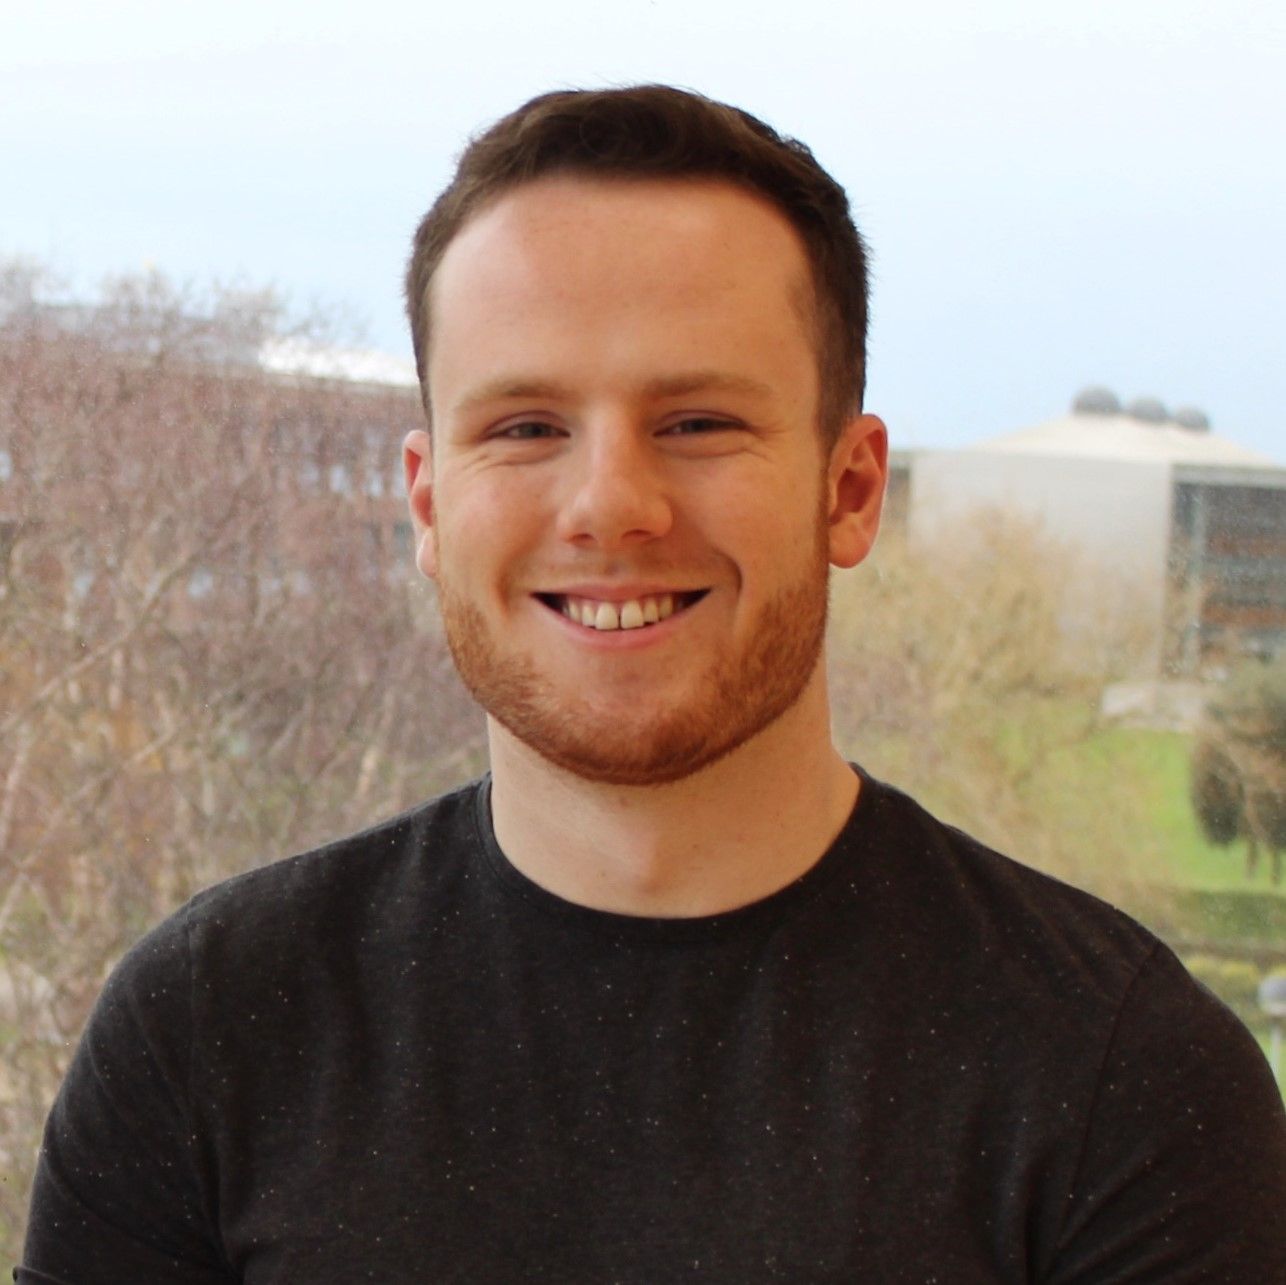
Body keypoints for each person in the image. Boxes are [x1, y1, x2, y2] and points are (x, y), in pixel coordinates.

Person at [19, 85, 1286, 1284]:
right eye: (524, 427)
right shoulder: (210, 1029)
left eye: (696, 423)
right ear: (428, 502)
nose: (609, 504)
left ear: (848, 490)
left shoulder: (1124, 1082)